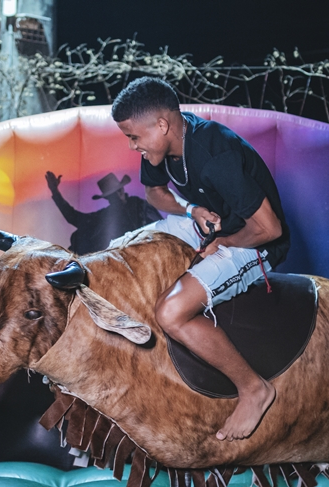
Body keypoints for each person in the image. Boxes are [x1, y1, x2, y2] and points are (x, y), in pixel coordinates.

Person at [111, 77, 290, 441]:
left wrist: (223, 242)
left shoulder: (215, 154)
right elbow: (154, 192)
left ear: (162, 125)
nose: (132, 146)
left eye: (134, 137)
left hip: (254, 242)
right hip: (210, 225)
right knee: (122, 253)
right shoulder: (165, 144)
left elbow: (269, 228)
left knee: (170, 313)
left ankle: (254, 389)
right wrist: (191, 208)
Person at [46, 171, 162, 255]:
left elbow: (158, 228)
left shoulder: (139, 205)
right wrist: (55, 192)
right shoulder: (103, 216)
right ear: (108, 198)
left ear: (122, 189)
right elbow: (74, 217)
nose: (118, 195)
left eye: (119, 191)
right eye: (113, 195)